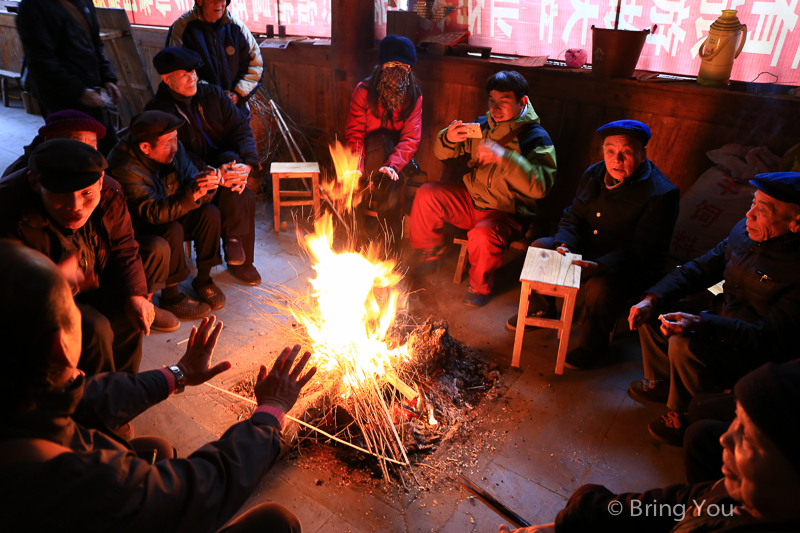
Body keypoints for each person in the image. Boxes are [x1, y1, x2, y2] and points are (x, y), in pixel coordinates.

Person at [0, 239, 314, 532]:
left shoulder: (25, 398)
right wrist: (269, 414)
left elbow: (90, 398)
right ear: (60, 345)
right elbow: (202, 489)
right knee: (277, 521)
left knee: (157, 449)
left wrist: (177, 374)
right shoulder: (94, 483)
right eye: (71, 302)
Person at [498, 359, 800, 533]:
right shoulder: (738, 495)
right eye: (735, 419)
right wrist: (568, 524)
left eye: (748, 437)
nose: (726, 438)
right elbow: (675, 503)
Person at [627, 171, 800, 445]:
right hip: (720, 322)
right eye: (752, 203)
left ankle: (684, 414)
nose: (749, 215)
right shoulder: (743, 234)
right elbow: (700, 268)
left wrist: (700, 325)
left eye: (762, 210)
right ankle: (666, 383)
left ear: (795, 222)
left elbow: (769, 336)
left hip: (756, 351)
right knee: (654, 315)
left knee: (685, 344)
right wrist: (653, 298)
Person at [507, 120, 679, 370]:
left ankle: (593, 347)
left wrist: (599, 266)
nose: (616, 159)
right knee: (540, 247)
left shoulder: (662, 194)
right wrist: (564, 243)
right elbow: (573, 215)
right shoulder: (594, 173)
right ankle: (543, 310)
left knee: (600, 285)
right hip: (589, 248)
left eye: (627, 152)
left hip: (630, 265)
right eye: (610, 151)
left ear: (643, 153)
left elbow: (643, 250)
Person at [0, 139, 170, 375]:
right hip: (43, 298)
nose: (76, 206)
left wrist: (137, 294)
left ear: (100, 181)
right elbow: (11, 293)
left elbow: (124, 245)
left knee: (129, 312)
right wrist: (54, 280)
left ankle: (124, 384)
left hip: (92, 274)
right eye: (62, 196)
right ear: (35, 183)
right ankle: (96, 397)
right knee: (95, 329)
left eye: (86, 193)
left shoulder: (109, 192)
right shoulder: (8, 207)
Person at [409, 70, 558, 307]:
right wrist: (448, 138)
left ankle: (479, 286)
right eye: (492, 100)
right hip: (471, 201)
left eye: (504, 101)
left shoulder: (536, 138)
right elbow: (443, 154)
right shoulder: (481, 126)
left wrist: (505, 158)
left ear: (523, 102)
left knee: (482, 236)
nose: (496, 108)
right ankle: (431, 249)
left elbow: (540, 186)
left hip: (507, 214)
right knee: (427, 193)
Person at [144, 47, 260, 285]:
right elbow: (176, 157)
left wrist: (246, 165)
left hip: (221, 165)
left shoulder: (211, 95)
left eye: (194, 72)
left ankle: (239, 255)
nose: (193, 78)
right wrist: (216, 174)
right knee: (236, 187)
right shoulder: (157, 112)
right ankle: (234, 244)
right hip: (186, 178)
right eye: (185, 74)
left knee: (239, 181)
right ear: (167, 79)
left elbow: (241, 128)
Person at [108, 110, 227, 319]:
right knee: (172, 229)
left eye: (176, 138)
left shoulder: (174, 148)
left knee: (209, 212)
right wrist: (192, 194)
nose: (175, 146)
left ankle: (204, 279)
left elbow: (190, 179)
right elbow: (152, 212)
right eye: (168, 142)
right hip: (140, 224)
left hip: (170, 206)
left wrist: (205, 183)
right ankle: (171, 297)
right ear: (145, 147)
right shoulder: (124, 167)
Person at [344, 34, 423, 253]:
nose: (397, 71)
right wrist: (355, 168)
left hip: (394, 157)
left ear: (410, 69)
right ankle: (356, 243)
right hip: (366, 153)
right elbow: (355, 133)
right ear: (381, 66)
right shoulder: (363, 91)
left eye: (403, 66)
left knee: (389, 190)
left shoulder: (414, 96)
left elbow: (410, 138)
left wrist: (393, 165)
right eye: (392, 64)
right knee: (353, 189)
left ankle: (389, 250)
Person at [16, 0, 121, 155]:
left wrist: (107, 78)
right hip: (59, 96)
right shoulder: (33, 6)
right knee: (75, 153)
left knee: (109, 148)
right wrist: (79, 91)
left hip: (90, 91)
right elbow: (41, 61)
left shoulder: (83, 1)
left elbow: (94, 44)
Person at [166, 0, 263, 118]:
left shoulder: (237, 27)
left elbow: (255, 65)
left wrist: (237, 94)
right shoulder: (183, 28)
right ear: (200, 1)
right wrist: (212, 96)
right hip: (200, 112)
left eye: (222, 0)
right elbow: (177, 71)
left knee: (243, 135)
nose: (218, 3)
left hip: (235, 110)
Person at [2, 109, 107, 178]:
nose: (86, 151)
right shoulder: (21, 174)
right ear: (49, 140)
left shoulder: (95, 172)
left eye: (92, 144)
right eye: (77, 142)